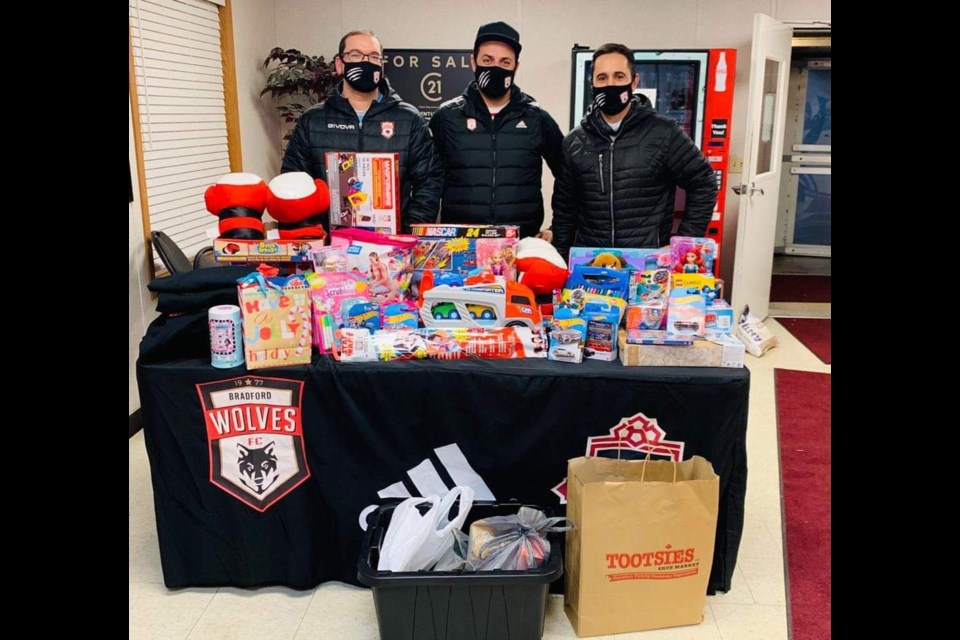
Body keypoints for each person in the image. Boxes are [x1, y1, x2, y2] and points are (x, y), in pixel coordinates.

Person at [551, 43, 718, 260]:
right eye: (602, 78)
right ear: (592, 83)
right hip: (591, 262)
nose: (610, 84)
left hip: (648, 264)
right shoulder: (575, 141)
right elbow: (565, 210)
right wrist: (560, 262)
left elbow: (704, 182)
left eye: (619, 76)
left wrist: (682, 245)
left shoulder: (664, 133)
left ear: (634, 81)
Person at [281, 29, 443, 235]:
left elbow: (429, 182)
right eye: (356, 55)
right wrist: (316, 234)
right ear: (340, 65)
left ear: (382, 66)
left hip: (392, 247)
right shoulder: (312, 121)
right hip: (330, 251)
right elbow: (295, 182)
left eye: (374, 57)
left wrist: (407, 233)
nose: (366, 62)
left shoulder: (409, 119)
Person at [428, 21, 564, 240]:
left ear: (516, 67)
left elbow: (568, 176)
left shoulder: (537, 118)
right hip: (460, 245)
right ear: (474, 62)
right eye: (487, 60)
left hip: (521, 243)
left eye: (505, 62)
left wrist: (557, 228)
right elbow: (427, 181)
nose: (495, 68)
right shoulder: (446, 118)